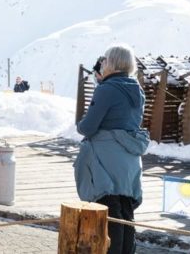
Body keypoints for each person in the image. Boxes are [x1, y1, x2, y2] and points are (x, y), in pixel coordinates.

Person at [75, 45, 149, 254]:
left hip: (106, 158)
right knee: (125, 212)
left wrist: (80, 125)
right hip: (129, 157)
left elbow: (88, 126)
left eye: (105, 59)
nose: (102, 63)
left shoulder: (107, 89)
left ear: (114, 62)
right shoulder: (137, 89)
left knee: (109, 211)